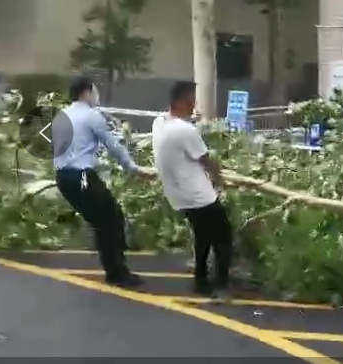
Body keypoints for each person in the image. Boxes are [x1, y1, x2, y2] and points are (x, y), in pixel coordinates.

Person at [52, 76, 151, 288]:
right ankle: (117, 273)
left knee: (103, 221)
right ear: (86, 92)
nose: (97, 96)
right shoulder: (91, 115)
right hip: (82, 176)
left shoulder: (61, 116)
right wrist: (132, 168)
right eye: (95, 91)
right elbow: (113, 146)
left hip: (63, 177)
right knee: (112, 219)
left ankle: (114, 268)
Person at [152, 81, 232, 298]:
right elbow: (206, 160)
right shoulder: (184, 130)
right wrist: (220, 181)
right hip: (199, 196)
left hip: (178, 196)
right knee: (223, 238)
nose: (193, 105)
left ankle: (201, 279)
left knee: (202, 235)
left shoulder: (159, 123)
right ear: (180, 101)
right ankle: (221, 286)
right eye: (191, 100)